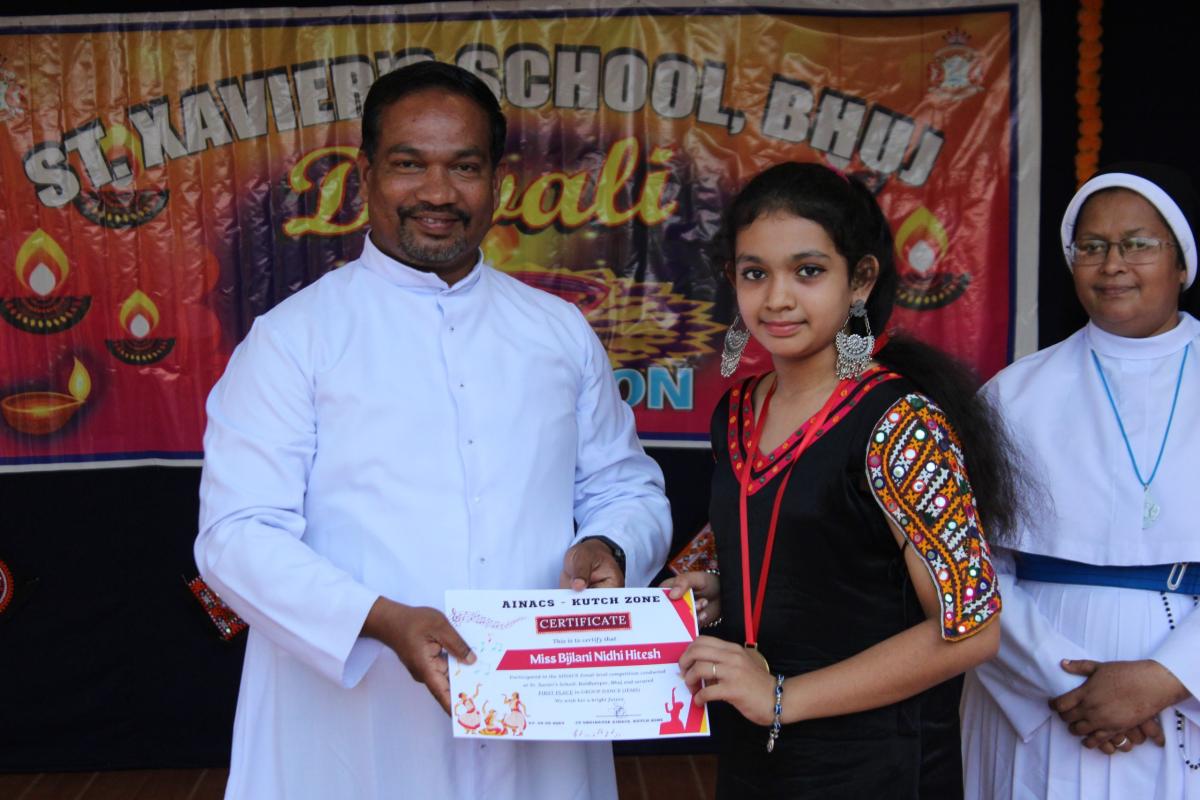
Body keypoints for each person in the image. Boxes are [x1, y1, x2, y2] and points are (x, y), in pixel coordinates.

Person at [194, 61, 671, 800]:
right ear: (366, 175)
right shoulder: (293, 340)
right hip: (354, 728)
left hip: (538, 712)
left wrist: (610, 546)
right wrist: (382, 621)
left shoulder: (556, 331)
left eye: (465, 167)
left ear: (497, 181)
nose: (438, 193)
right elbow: (237, 535)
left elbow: (625, 485)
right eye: (409, 164)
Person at [664, 162, 1020, 798]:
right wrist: (717, 585)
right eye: (755, 273)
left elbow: (971, 629)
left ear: (860, 280)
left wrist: (781, 697)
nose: (777, 298)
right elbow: (787, 543)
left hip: (874, 767)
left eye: (808, 271)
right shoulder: (738, 411)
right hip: (756, 754)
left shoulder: (901, 423)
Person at [960, 162, 1200, 799]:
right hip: (1033, 686)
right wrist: (1059, 680)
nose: (1112, 264)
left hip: (1183, 688)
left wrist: (1172, 675)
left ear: (1181, 262)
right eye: (1092, 246)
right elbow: (967, 562)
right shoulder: (1013, 394)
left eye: (1137, 244)